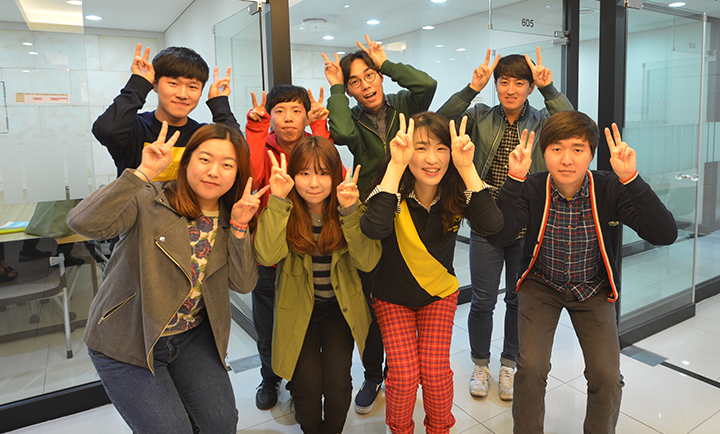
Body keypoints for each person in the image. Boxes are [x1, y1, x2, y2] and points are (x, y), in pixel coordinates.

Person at [487, 111, 677, 433]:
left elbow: (665, 233)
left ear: (591, 153)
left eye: (578, 149)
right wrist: (513, 181)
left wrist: (632, 179)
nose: (566, 160)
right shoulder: (532, 187)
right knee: (531, 368)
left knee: (607, 376)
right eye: (556, 149)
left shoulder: (609, 188)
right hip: (541, 285)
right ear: (544, 152)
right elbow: (500, 237)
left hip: (593, 288)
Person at [67, 122, 262, 434]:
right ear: (187, 161)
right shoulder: (149, 198)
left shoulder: (231, 217)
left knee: (222, 424)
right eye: (205, 159)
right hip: (130, 338)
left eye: (227, 165)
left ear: (237, 174)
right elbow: (82, 222)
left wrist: (240, 228)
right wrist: (142, 173)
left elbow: (243, 284)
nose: (214, 172)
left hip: (191, 337)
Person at [437, 47, 574, 400]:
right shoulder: (479, 115)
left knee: (517, 300)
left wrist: (549, 88)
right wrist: (472, 88)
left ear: (530, 87)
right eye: (504, 82)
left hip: (526, 225)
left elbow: (572, 125)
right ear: (495, 85)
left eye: (519, 83)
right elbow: (438, 122)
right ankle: (480, 365)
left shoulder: (542, 120)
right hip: (485, 222)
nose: (510, 90)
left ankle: (508, 364)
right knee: (483, 301)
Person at [360, 112, 503, 434]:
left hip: (438, 295)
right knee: (403, 375)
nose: (432, 159)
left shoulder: (455, 191)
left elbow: (492, 226)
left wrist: (466, 168)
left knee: (436, 373)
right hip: (392, 297)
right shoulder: (391, 190)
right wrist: (395, 166)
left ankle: (439, 429)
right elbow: (373, 229)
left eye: (441, 148)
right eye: (421, 148)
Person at [321, 34, 437, 413]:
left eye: (369, 76)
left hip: (413, 212)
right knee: (372, 300)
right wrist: (335, 87)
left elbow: (427, 85)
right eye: (355, 82)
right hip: (372, 214)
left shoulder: (406, 104)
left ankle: (399, 371)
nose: (365, 85)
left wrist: (386, 62)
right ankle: (373, 374)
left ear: (380, 77)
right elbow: (339, 133)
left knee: (405, 296)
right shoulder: (352, 119)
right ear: (349, 90)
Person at [254, 136, 381, 433]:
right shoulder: (285, 210)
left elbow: (367, 262)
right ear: (293, 175)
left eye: (323, 173)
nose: (314, 183)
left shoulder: (349, 207)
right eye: (304, 173)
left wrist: (350, 211)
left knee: (338, 386)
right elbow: (266, 256)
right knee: (306, 389)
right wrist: (277, 200)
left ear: (335, 175)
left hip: (339, 310)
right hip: (299, 310)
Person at [245, 84, 331, 410]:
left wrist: (320, 127)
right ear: (271, 116)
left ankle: (298, 382)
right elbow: (251, 177)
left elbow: (332, 175)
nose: (288, 118)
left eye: (296, 111)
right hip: (267, 256)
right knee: (267, 328)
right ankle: (269, 378)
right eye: (279, 111)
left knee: (302, 327)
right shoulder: (262, 144)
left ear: (306, 115)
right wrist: (256, 131)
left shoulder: (314, 144)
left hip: (306, 256)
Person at [93, 43, 240, 181]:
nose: (182, 94)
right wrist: (138, 84)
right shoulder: (134, 127)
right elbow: (106, 130)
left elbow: (239, 152)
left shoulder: (201, 135)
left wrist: (220, 105)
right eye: (173, 83)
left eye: (193, 87)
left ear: (201, 92)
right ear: (154, 85)